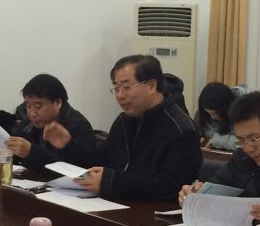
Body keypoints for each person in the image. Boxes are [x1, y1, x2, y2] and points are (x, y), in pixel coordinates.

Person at [62, 55, 202, 201]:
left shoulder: (181, 129)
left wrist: (111, 181)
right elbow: (100, 162)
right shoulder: (124, 121)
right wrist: (67, 146)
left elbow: (170, 187)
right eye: (116, 89)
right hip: (116, 204)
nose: (120, 95)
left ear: (152, 86)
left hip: (152, 211)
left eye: (126, 87)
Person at [178, 92, 260, 222]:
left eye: (254, 138)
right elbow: (220, 186)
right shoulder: (243, 157)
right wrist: (196, 196)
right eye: (241, 140)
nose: (248, 148)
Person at [4, 74, 95, 170]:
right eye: (28, 106)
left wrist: (32, 152)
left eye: (38, 106)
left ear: (58, 103)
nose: (32, 113)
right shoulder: (28, 123)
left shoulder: (79, 126)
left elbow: (79, 169)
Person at [194, 82, 237, 150]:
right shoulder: (202, 115)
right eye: (208, 113)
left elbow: (244, 143)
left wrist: (216, 141)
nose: (212, 117)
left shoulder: (243, 115)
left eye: (215, 113)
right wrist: (204, 140)